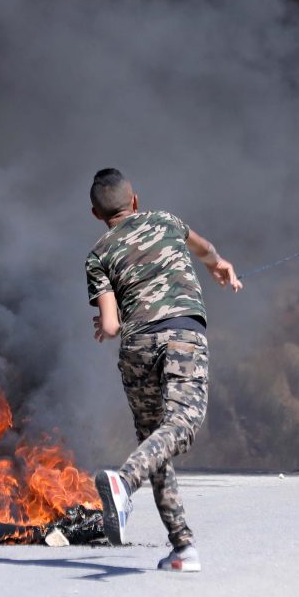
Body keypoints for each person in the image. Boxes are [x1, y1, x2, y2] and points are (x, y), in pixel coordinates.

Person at [85, 168, 242, 572]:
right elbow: (204, 248)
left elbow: (110, 326)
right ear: (135, 200)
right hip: (182, 336)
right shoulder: (166, 221)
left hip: (137, 346)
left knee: (156, 439)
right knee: (183, 423)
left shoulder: (98, 255)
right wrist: (218, 264)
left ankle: (183, 548)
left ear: (95, 214)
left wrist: (106, 325)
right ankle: (125, 481)